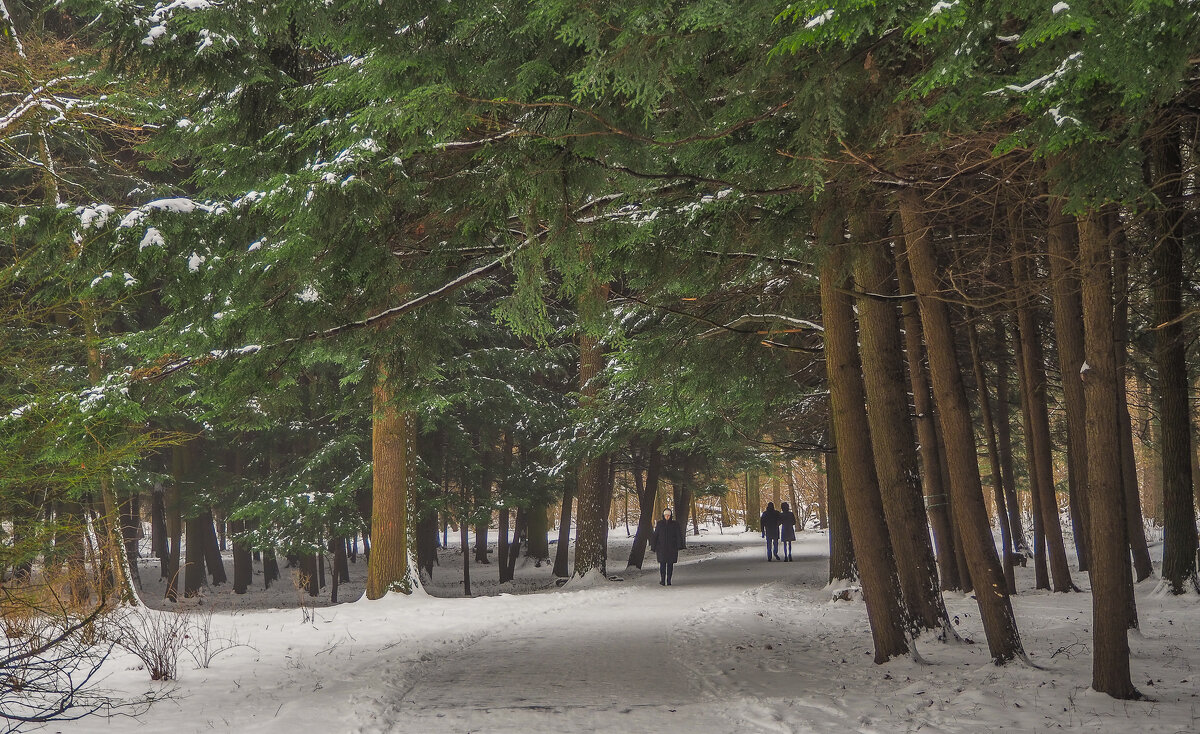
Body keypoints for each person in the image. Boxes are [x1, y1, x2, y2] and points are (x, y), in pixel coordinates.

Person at [650, 507, 685, 586]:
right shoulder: (660, 524)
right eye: (666, 515)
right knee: (662, 565)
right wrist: (653, 546)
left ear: (671, 516)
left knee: (670, 565)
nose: (667, 517)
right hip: (661, 548)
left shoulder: (675, 524)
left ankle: (669, 580)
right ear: (663, 515)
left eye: (668, 515)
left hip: (672, 548)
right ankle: (662, 580)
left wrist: (679, 545)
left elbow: (678, 535)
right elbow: (656, 535)